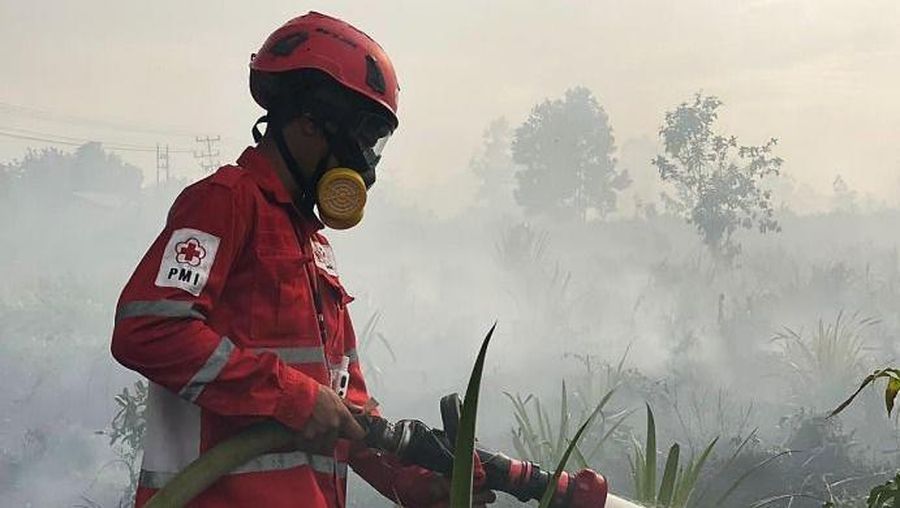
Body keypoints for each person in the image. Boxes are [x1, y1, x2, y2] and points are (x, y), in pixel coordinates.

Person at [111, 11, 495, 508]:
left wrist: (413, 484)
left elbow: (347, 409)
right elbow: (149, 331)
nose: (367, 164)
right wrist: (288, 396)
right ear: (311, 124)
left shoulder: (313, 246)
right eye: (364, 138)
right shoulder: (224, 202)